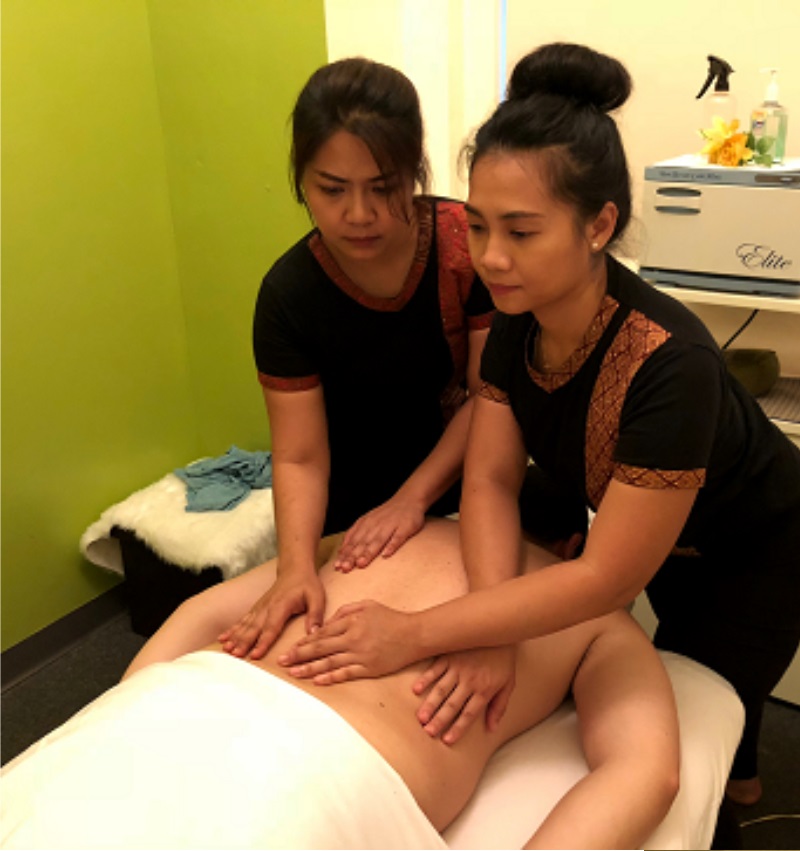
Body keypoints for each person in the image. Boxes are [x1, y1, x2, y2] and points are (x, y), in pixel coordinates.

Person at [282, 43, 800, 806]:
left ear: (598, 224)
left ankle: (738, 797)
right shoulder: (521, 316)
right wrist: (487, 627)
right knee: (658, 669)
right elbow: (489, 479)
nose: (490, 258)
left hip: (757, 544)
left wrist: (418, 631)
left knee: (717, 711)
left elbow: (608, 577)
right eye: (478, 227)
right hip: (656, 528)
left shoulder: (670, 364)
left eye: (521, 232)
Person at [127, 57, 582, 678]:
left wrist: (412, 501)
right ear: (301, 180)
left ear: (415, 171)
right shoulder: (289, 295)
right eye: (333, 189)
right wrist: (294, 569)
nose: (359, 214)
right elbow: (298, 456)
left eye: (383, 186)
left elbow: (489, 396)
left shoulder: (467, 247)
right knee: (227, 622)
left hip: (470, 481)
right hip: (354, 504)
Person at [5, 520, 678, 849]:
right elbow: (647, 774)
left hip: (177, 697)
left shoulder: (372, 536)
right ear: (571, 545)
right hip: (318, 767)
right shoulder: (597, 617)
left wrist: (126, 712)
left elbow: (199, 612)